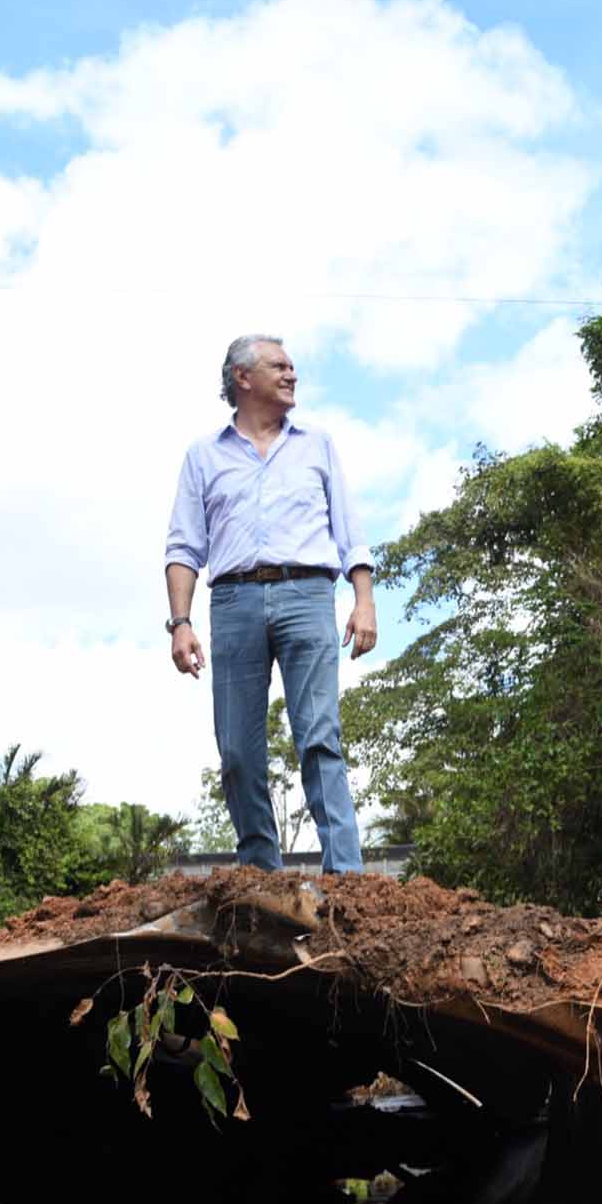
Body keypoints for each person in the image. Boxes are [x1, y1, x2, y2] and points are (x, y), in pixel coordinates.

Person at [162, 334, 377, 874]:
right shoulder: (203, 456)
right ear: (243, 378)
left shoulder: (317, 445)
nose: (291, 375)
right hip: (233, 601)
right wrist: (180, 623)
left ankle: (346, 875)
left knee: (319, 737)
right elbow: (184, 546)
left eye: (292, 366)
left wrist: (363, 599)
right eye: (279, 366)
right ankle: (260, 873)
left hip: (307, 594)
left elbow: (350, 530)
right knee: (237, 751)